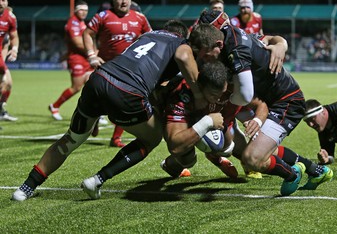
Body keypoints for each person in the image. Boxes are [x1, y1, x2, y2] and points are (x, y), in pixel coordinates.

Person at [11, 21, 224, 201]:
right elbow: (184, 56)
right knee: (152, 138)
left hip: (98, 80)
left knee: (71, 140)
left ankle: (26, 187)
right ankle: (98, 180)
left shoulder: (147, 36)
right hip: (126, 91)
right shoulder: (180, 43)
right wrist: (197, 95)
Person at [199, 10, 333, 196]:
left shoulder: (236, 48)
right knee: (259, 148)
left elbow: (245, 95)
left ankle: (292, 174)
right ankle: (314, 170)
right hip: (268, 99)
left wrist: (281, 44)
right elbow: (269, 39)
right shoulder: (235, 35)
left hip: (286, 102)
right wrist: (280, 43)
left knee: (252, 158)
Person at [83, 0, 152, 147]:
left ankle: (116, 138)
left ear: (131, 0)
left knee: (124, 101)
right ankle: (95, 119)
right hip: (105, 65)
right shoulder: (103, 16)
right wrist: (92, 55)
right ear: (113, 1)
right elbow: (87, 33)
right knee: (96, 97)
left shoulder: (140, 18)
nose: (123, 1)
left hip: (129, 68)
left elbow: (151, 38)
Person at [159, 60, 241, 179]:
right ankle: (169, 165)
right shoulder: (183, 94)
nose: (218, 99)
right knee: (187, 159)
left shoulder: (229, 87)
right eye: (213, 95)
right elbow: (175, 145)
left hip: (208, 116)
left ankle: (214, 157)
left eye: (221, 93)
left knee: (227, 149)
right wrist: (207, 122)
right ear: (200, 88)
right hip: (183, 122)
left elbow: (255, 102)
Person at [48, 1, 92, 121]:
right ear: (76, 10)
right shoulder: (73, 22)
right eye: (81, 10)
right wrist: (92, 52)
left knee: (93, 85)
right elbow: (78, 44)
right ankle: (54, 106)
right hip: (76, 58)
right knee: (76, 87)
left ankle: (97, 114)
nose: (84, 12)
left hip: (85, 57)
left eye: (86, 10)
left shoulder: (81, 22)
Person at [0, 0, 19, 121]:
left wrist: (15, 49)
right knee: (5, 82)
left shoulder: (10, 17)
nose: (1, 3)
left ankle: (1, 110)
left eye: (3, 0)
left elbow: (14, 36)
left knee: (8, 84)